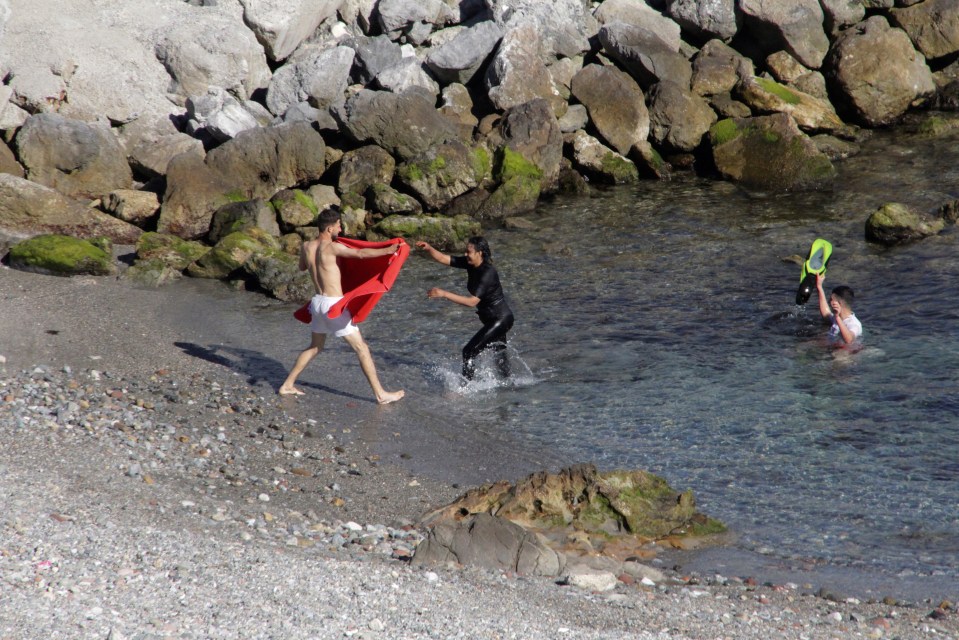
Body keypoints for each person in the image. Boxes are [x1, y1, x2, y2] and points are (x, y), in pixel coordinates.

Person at [278, 207, 405, 403]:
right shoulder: (332, 248)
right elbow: (361, 254)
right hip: (332, 305)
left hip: (317, 303)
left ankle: (288, 384)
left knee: (315, 347)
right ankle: (381, 394)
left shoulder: (306, 246)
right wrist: (387, 250)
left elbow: (303, 267)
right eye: (338, 225)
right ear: (329, 228)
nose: (341, 229)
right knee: (362, 349)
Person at [416, 236, 514, 380]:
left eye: (469, 252)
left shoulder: (487, 272)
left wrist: (444, 293)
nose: (466, 254)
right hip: (492, 320)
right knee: (499, 355)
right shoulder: (470, 263)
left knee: (469, 351)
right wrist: (429, 248)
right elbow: (444, 258)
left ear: (480, 253)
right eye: (465, 252)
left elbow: (471, 302)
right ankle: (510, 388)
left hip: (501, 319)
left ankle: (466, 386)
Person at [816, 273, 862, 346]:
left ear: (838, 303)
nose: (829, 302)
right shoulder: (838, 317)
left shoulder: (854, 324)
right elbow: (826, 314)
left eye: (831, 300)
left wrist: (837, 317)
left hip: (845, 354)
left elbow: (849, 339)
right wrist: (819, 287)